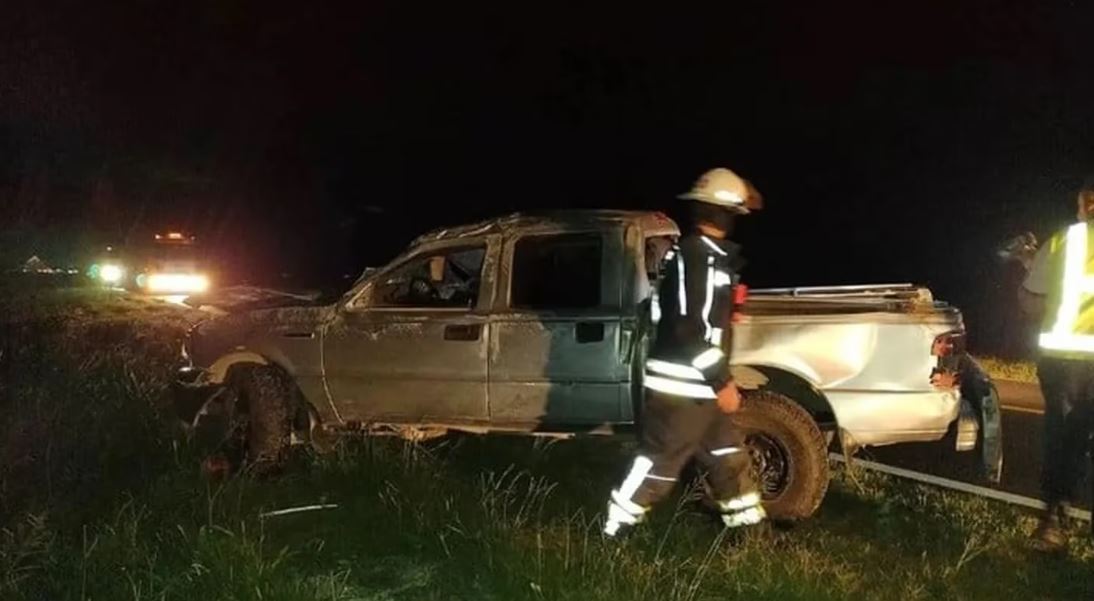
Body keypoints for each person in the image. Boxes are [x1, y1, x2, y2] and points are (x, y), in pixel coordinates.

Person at [603, 167, 765, 537]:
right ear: (727, 215)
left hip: (698, 391)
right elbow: (688, 329)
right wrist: (721, 380)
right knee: (659, 466)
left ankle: (751, 533)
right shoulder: (702, 258)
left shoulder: (697, 255)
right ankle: (615, 530)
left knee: (728, 460)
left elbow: (690, 317)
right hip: (682, 391)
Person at [1018, 177, 1094, 552]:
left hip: (1066, 364)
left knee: (1063, 439)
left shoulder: (1066, 242)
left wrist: (1028, 268)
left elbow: (1032, 303)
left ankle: (1053, 527)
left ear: (1088, 203)